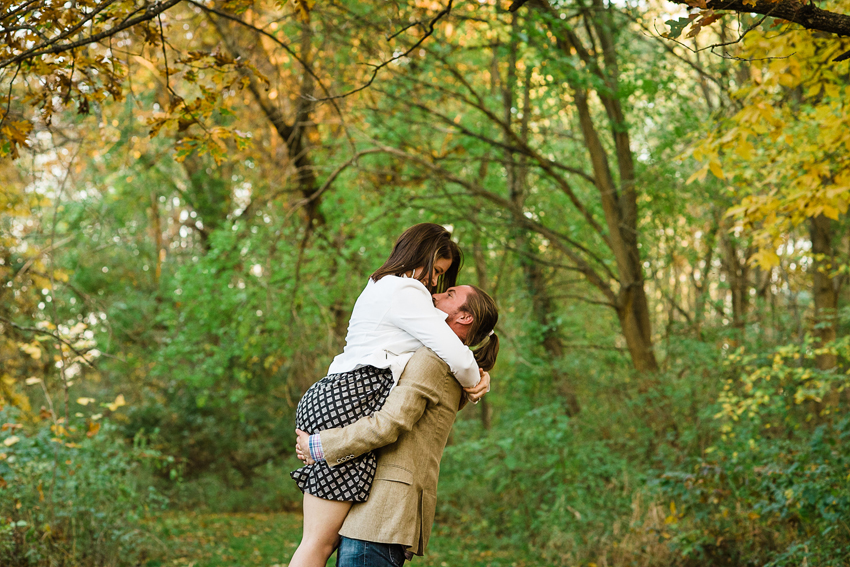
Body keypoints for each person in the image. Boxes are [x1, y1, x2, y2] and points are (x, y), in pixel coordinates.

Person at [288, 224, 492, 567]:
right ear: (421, 256)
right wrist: (476, 383)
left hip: (341, 395)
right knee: (317, 544)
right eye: (436, 272)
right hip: (350, 398)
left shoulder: (385, 287)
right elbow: (454, 354)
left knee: (319, 542)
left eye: (443, 279)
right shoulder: (406, 290)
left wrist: (479, 374)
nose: (433, 284)